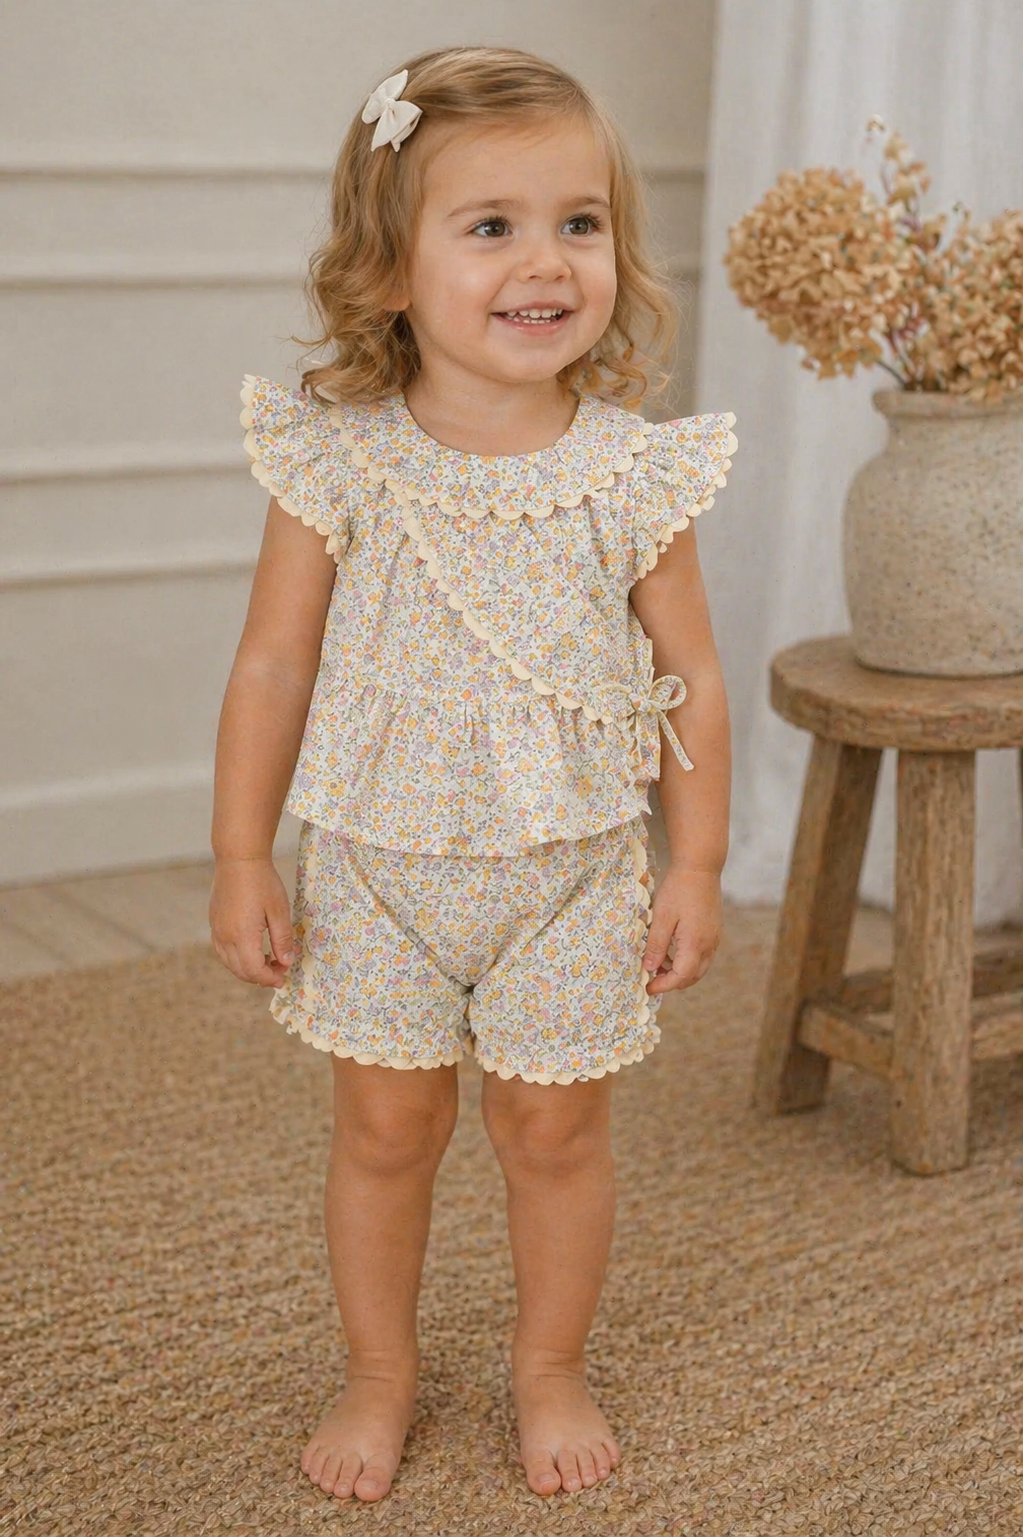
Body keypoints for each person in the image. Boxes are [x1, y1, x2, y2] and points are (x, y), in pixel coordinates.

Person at [210, 45, 736, 1505]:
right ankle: (378, 1371)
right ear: (390, 269)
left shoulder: (632, 474)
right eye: (492, 225)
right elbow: (272, 666)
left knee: (553, 1131)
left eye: (581, 222)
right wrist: (242, 854)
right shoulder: (339, 462)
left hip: (571, 871)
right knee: (387, 1132)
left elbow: (688, 678)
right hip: (376, 867)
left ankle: (547, 1361)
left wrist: (695, 861)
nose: (546, 260)